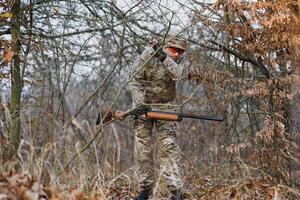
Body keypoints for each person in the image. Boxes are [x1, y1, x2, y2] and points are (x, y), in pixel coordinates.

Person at [130, 35, 187, 200]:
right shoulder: (147, 54)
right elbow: (135, 80)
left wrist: (164, 58)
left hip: (166, 107)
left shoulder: (180, 61)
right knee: (142, 150)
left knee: (169, 148)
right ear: (165, 46)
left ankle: (175, 191)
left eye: (180, 51)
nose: (176, 54)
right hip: (143, 108)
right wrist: (139, 104)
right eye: (173, 50)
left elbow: (179, 75)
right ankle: (145, 190)